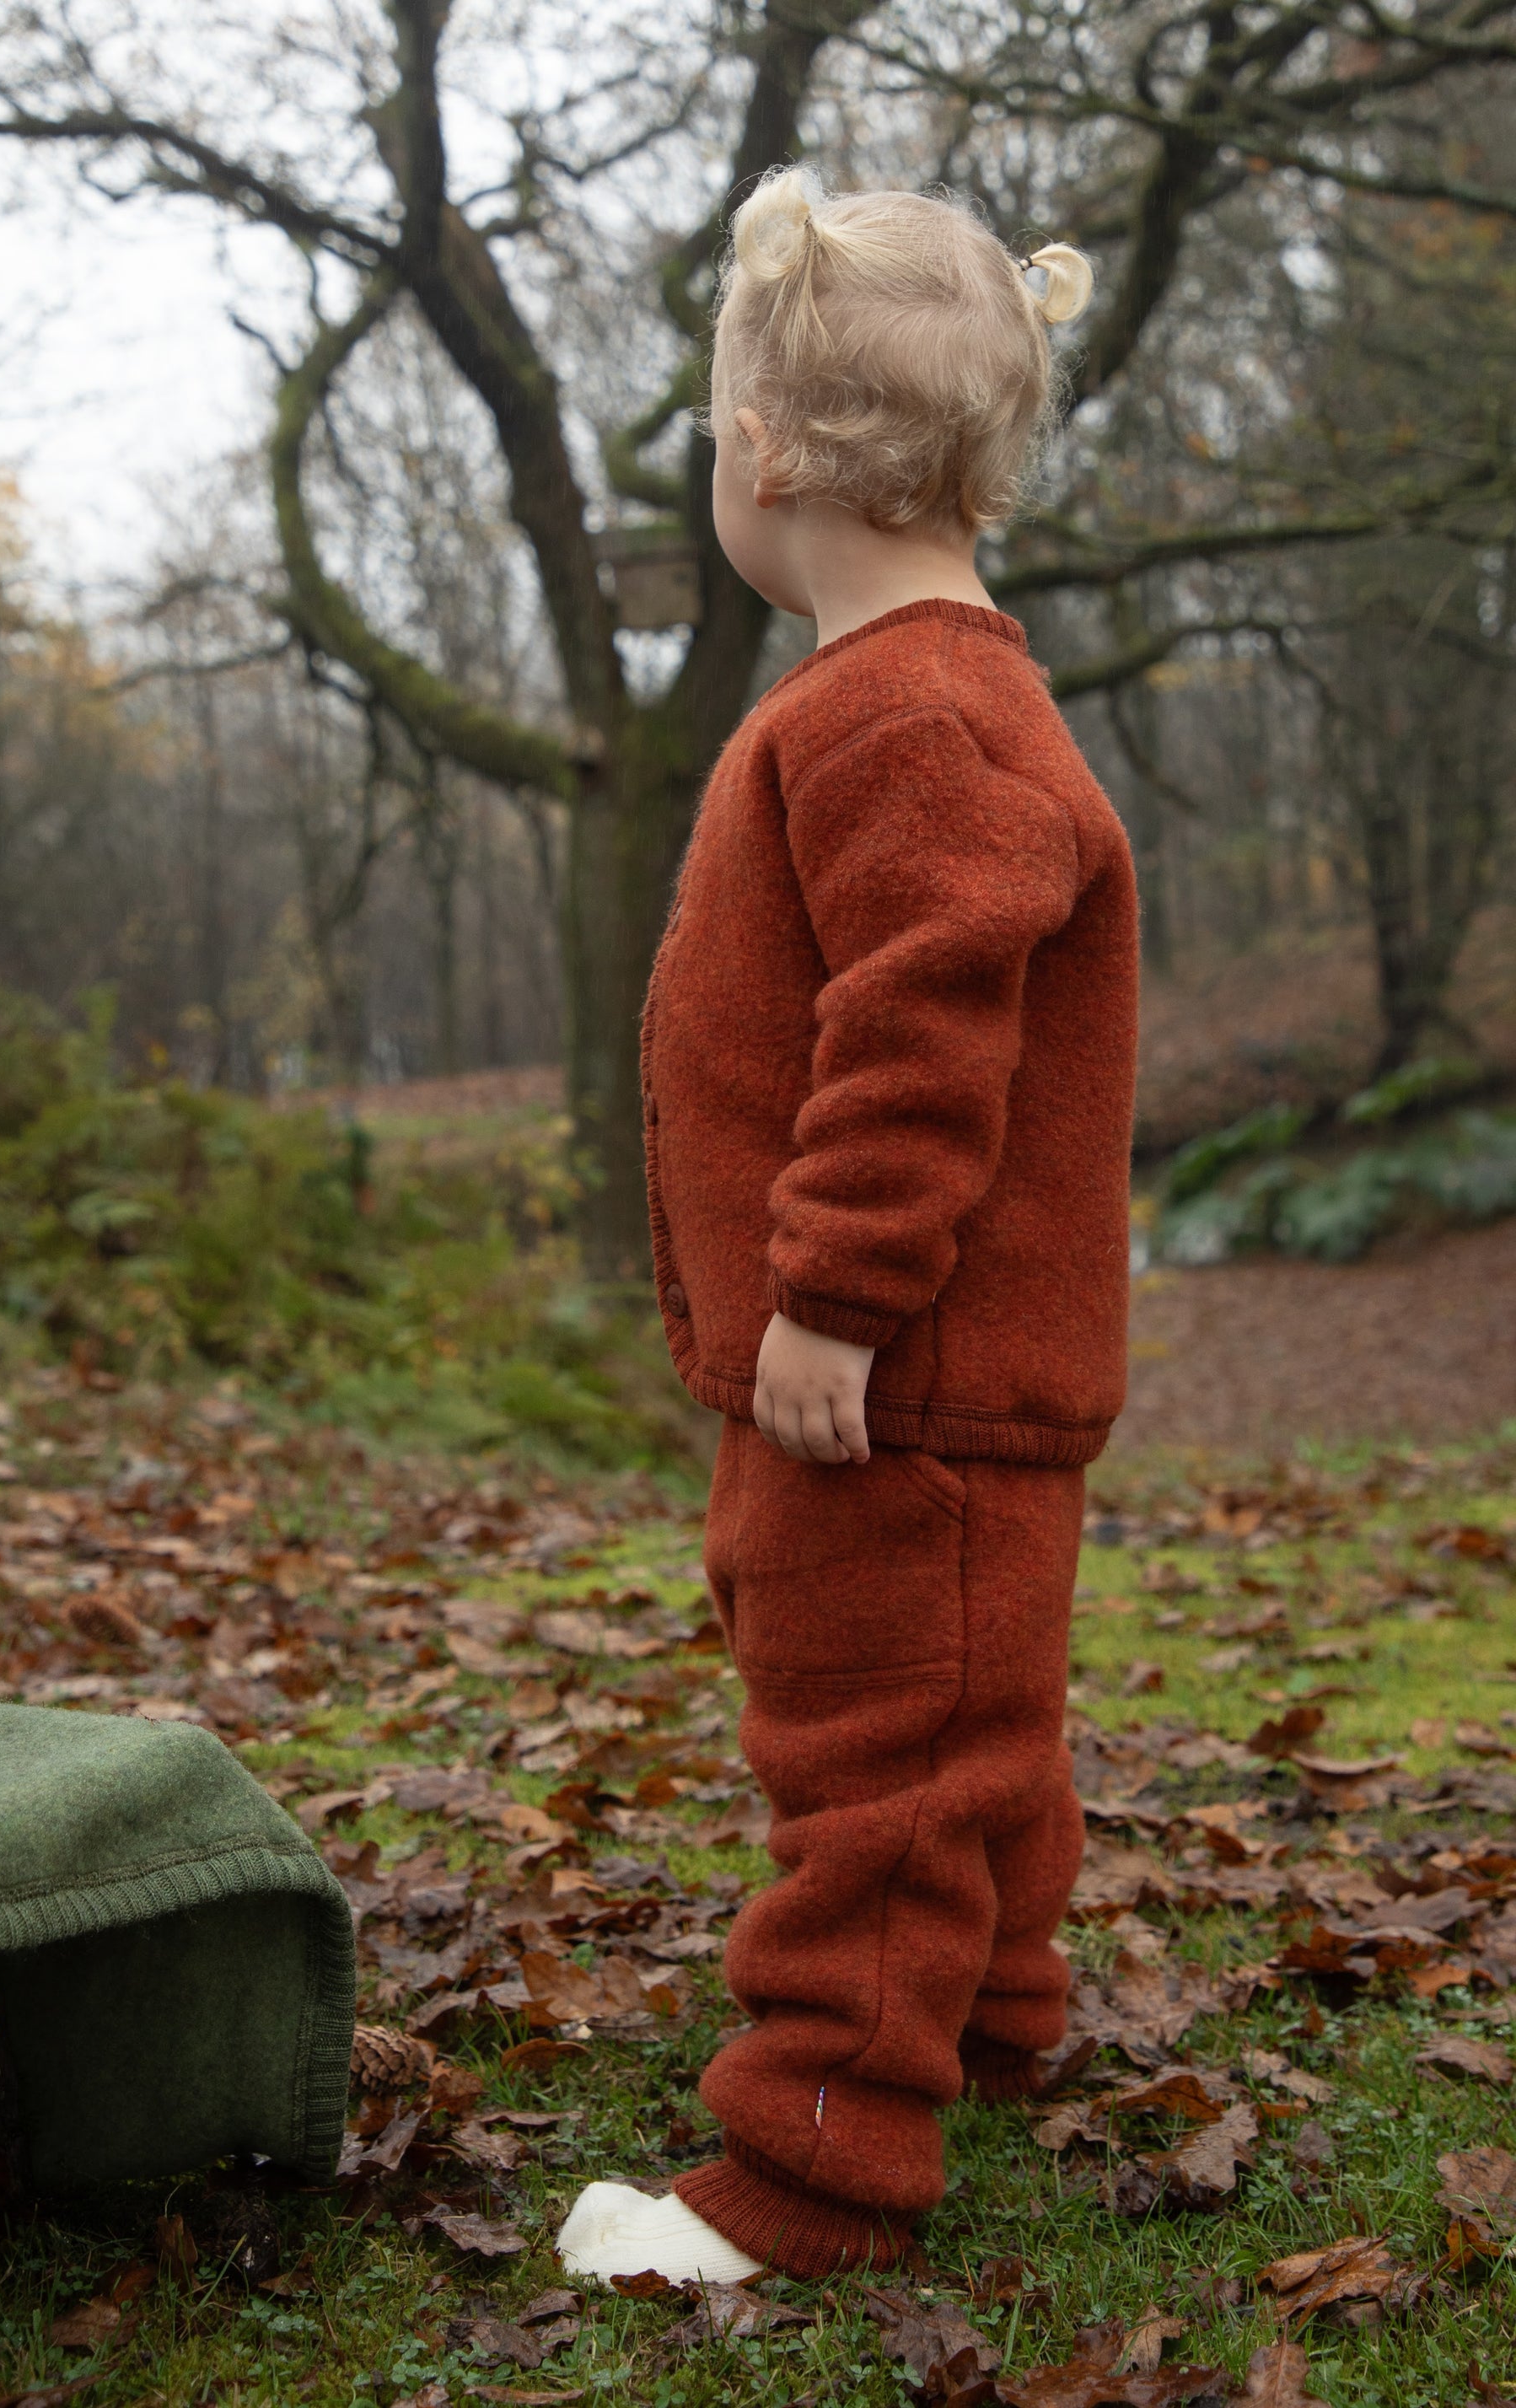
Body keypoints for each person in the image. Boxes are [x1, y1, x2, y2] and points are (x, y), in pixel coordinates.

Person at [557, 168, 1137, 2286]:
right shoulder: (918, 697)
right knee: (966, 1724)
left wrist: (834, 1295)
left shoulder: (904, 712)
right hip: (903, 1378)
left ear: (766, 449)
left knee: (875, 1758)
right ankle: (987, 2018)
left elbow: (919, 1031)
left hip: (895, 1376)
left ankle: (809, 2166)